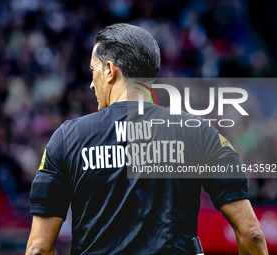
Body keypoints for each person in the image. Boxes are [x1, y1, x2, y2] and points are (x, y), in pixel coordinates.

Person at [25, 23, 268, 255]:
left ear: (109, 71)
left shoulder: (67, 138)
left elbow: (39, 248)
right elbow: (251, 233)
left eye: (93, 70)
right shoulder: (200, 133)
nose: (91, 84)